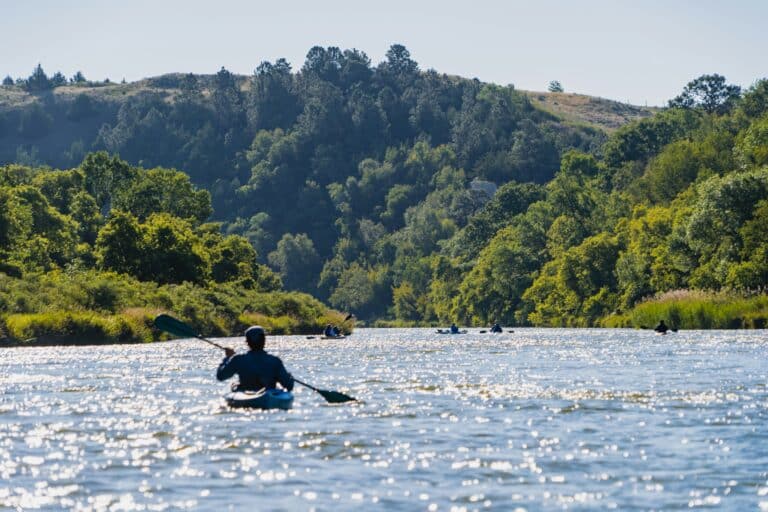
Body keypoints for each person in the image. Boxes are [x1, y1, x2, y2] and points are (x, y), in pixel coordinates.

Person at [216, 325, 294, 392]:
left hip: (247, 393)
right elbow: (289, 386)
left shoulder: (238, 359)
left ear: (247, 342)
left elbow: (221, 376)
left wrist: (228, 358)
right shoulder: (275, 361)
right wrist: (289, 376)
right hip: (267, 393)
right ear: (264, 341)